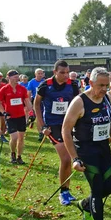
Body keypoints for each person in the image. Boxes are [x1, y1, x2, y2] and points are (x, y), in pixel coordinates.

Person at [62, 67, 111, 220]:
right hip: (86, 151)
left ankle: (85, 205)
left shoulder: (105, 98)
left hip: (103, 149)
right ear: (90, 83)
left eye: (107, 85)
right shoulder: (79, 102)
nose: (104, 89)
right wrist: (75, 158)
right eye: (101, 85)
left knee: (110, 187)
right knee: (97, 189)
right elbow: (65, 130)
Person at [34, 60, 81, 205]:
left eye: (67, 72)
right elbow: (36, 104)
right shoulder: (45, 86)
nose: (66, 75)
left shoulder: (73, 85)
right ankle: (63, 193)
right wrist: (41, 126)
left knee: (72, 158)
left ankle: (67, 190)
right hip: (52, 125)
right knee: (67, 158)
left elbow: (77, 102)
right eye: (62, 72)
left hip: (69, 124)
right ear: (55, 72)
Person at [0, 70, 33, 164]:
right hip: (10, 117)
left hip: (21, 116)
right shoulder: (4, 89)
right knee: (14, 137)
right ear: (8, 77)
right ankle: (12, 153)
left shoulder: (22, 89)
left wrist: (31, 113)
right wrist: (4, 112)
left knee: (21, 138)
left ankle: (19, 156)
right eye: (15, 77)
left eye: (18, 77)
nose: (17, 79)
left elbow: (27, 101)